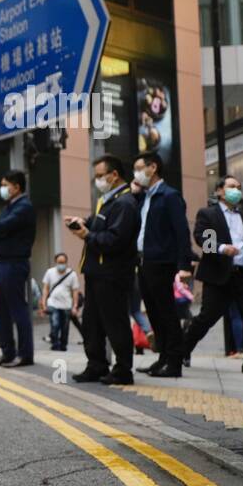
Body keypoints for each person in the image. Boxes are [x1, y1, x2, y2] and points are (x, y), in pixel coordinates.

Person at [68, 156, 140, 385]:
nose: (97, 180)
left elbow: (115, 239)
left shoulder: (125, 203)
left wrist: (88, 235)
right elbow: (100, 226)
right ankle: (96, 365)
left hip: (112, 274)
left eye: (100, 176)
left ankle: (123, 370)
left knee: (115, 323)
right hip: (96, 272)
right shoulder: (107, 201)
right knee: (92, 324)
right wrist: (83, 223)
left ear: (114, 175)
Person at [182, 175, 243, 374]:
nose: (236, 190)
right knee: (207, 317)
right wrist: (221, 248)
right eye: (231, 186)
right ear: (219, 191)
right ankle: (182, 350)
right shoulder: (209, 214)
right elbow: (201, 239)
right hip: (219, 276)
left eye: (239, 187)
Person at [131, 152, 193, 378]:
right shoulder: (145, 197)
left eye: (139, 168)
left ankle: (174, 362)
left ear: (153, 167)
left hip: (161, 262)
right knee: (154, 313)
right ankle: (163, 359)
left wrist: (184, 265)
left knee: (167, 313)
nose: (136, 173)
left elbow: (181, 232)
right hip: (144, 262)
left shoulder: (169, 196)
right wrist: (136, 195)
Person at [0, 170, 36, 367]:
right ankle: (8, 352)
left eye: (5, 184)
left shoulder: (24, 207)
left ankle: (25, 354)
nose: (3, 188)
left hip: (14, 262)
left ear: (16, 187)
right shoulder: (11, 206)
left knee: (17, 308)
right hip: (2, 262)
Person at [40, 253, 80, 352]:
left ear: (66, 263)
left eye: (63, 262)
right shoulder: (50, 272)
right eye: (59, 262)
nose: (61, 264)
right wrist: (44, 303)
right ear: (55, 262)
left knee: (65, 327)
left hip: (66, 305)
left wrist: (75, 306)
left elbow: (75, 291)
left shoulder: (72, 274)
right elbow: (45, 288)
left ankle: (63, 345)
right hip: (53, 303)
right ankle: (55, 344)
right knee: (55, 323)